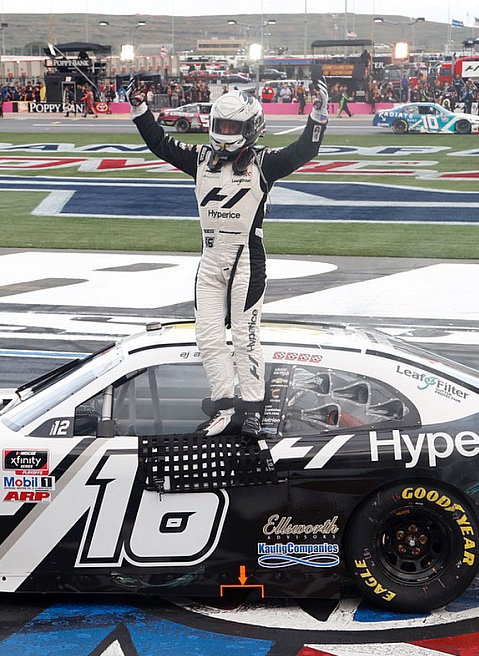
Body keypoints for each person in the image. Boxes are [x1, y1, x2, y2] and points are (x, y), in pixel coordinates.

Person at [130, 84, 330, 438]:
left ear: (250, 128)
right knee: (207, 337)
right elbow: (160, 144)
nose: (224, 134)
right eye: (220, 125)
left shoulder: (263, 163)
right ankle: (222, 407)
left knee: (245, 338)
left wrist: (317, 116)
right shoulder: (199, 158)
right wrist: (140, 109)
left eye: (232, 128)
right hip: (209, 260)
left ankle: (252, 410)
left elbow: (303, 151)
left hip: (247, 261)